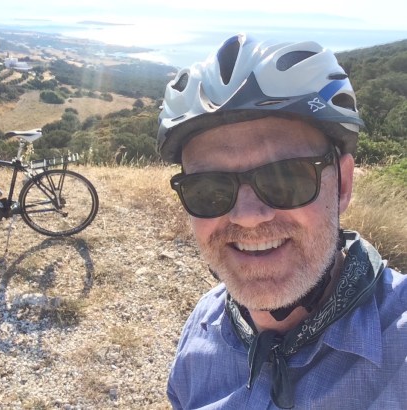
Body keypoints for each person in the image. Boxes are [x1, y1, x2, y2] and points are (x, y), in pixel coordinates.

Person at [157, 33, 406, 409]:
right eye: (210, 188)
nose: (247, 217)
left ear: (343, 184)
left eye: (286, 178)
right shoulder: (201, 328)